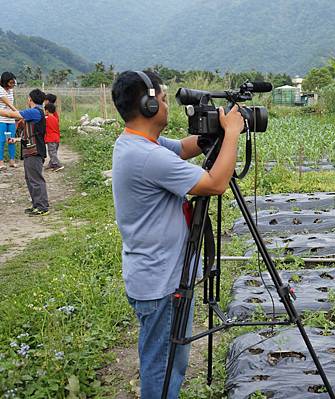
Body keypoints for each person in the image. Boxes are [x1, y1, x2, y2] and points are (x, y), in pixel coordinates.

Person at [111, 70, 244, 399]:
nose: (168, 106)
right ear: (149, 104)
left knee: (168, 360)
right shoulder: (147, 156)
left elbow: (183, 149)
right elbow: (215, 184)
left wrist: (210, 132)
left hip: (156, 275)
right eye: (165, 99)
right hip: (161, 282)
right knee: (163, 365)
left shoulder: (138, 143)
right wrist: (232, 134)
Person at [0, 89, 49, 216]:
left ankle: (42, 207)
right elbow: (29, 134)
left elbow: (11, 115)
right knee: (30, 179)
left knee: (36, 179)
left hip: (35, 151)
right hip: (30, 150)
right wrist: (16, 139)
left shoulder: (34, 112)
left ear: (30, 99)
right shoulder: (36, 112)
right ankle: (36, 205)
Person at [0, 72, 18, 169]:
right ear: (5, 82)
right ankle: (1, 162)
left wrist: (15, 117)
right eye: (11, 83)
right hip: (1, 119)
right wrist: (19, 114)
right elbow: (9, 104)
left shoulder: (10, 91)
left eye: (13, 83)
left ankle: (12, 160)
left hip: (11, 119)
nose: (12, 85)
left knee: (12, 140)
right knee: (1, 140)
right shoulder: (0, 90)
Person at [44, 102, 64, 171]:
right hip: (56, 139)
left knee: (52, 153)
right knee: (54, 152)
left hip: (51, 139)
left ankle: (57, 165)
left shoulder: (47, 119)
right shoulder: (55, 118)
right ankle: (52, 164)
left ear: (47, 111)